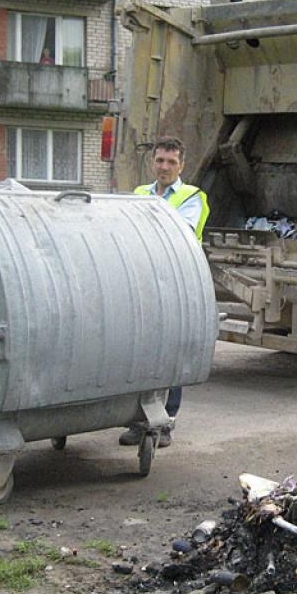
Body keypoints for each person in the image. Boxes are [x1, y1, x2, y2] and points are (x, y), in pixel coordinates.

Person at [119, 136, 210, 449]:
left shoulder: (192, 196)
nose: (165, 167)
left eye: (171, 162)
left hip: (176, 287)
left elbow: (176, 235)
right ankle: (136, 421)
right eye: (160, 160)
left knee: (172, 357)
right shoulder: (139, 194)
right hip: (141, 286)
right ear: (152, 162)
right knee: (140, 355)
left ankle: (166, 421)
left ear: (181, 165)